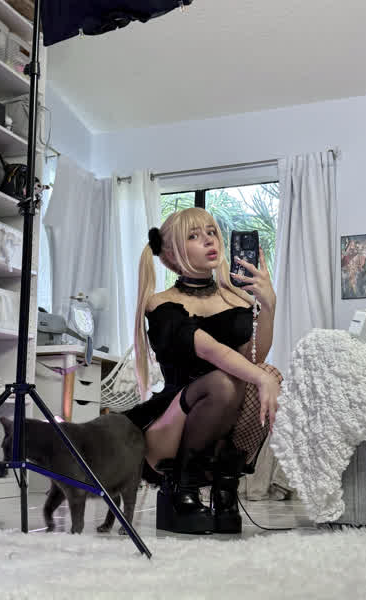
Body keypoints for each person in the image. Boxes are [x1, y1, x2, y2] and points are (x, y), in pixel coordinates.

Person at [124, 207, 282, 534]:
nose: (209, 240)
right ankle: (183, 487)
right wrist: (260, 376)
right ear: (171, 254)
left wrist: (268, 306)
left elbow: (252, 360)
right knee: (226, 382)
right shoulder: (161, 304)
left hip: (225, 423)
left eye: (211, 232)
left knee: (265, 373)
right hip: (171, 426)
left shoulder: (236, 299)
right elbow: (212, 351)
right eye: (194, 236)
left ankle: (225, 489)